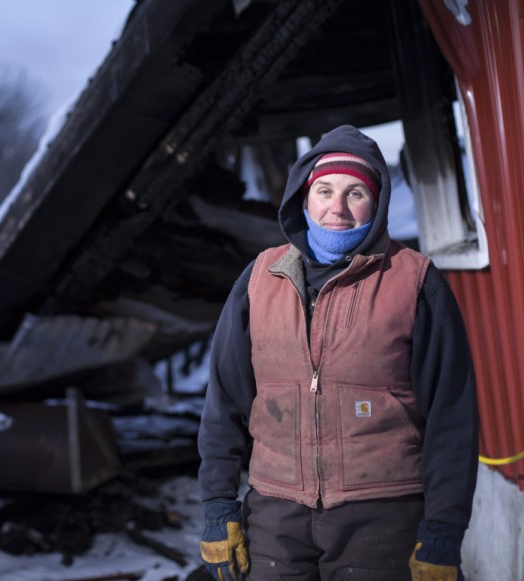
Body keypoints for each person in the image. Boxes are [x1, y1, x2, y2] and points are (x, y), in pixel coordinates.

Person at [197, 125, 478, 581]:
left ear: (377, 202)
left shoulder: (414, 282)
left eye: (355, 193)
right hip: (275, 518)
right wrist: (217, 506)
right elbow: (225, 402)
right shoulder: (258, 280)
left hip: (384, 519)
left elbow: (452, 416)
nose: (337, 208)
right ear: (304, 198)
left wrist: (442, 533)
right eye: (324, 190)